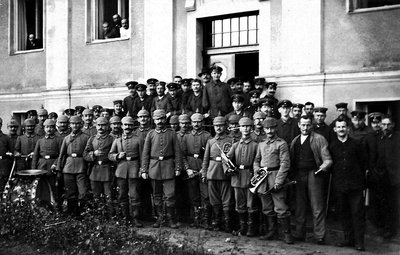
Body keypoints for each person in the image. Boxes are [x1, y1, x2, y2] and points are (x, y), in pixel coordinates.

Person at [290, 115, 332, 244]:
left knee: (317, 206)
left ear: (311, 125)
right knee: (299, 206)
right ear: (299, 125)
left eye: (308, 125)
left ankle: (319, 235)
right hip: (298, 174)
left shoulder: (319, 139)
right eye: (303, 124)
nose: (305, 127)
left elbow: (328, 160)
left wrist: (321, 169)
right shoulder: (295, 140)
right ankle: (299, 233)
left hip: (314, 174)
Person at [254, 117, 293, 244]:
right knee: (267, 207)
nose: (269, 131)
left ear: (276, 128)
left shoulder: (281, 144)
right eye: (267, 128)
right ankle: (272, 231)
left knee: (280, 207)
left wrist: (279, 181)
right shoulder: (261, 144)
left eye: (272, 128)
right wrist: (257, 172)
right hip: (262, 178)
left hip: (275, 176)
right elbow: (256, 161)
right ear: (264, 129)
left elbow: (285, 164)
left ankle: (286, 233)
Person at [330, 116, 367, 251]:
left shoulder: (357, 144)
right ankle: (348, 239)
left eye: (343, 127)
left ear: (348, 129)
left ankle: (359, 242)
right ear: (335, 129)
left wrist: (360, 181)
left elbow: (364, 163)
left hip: (355, 185)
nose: (341, 129)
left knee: (357, 213)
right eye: (338, 127)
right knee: (344, 213)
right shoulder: (332, 146)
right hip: (340, 185)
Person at [141, 109, 182, 229]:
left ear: (165, 119)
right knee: (156, 195)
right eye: (157, 119)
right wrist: (144, 169)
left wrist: (178, 167)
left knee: (170, 195)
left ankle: (170, 219)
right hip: (154, 168)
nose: (160, 121)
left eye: (162, 119)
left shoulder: (172, 133)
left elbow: (178, 152)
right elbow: (145, 153)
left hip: (169, 167)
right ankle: (160, 218)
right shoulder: (150, 134)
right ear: (154, 120)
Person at [226, 117, 258, 236]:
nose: (245, 128)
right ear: (239, 128)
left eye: (248, 126)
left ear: (251, 128)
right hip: (237, 176)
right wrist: (229, 167)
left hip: (250, 177)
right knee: (239, 204)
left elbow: (258, 161)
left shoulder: (256, 145)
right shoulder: (235, 145)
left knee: (251, 204)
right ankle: (242, 227)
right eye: (243, 126)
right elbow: (227, 159)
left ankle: (251, 228)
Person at [108, 116, 143, 226]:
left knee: (134, 195)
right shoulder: (117, 140)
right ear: (122, 126)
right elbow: (110, 155)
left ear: (133, 126)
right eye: (125, 125)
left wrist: (142, 170)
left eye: (130, 125)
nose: (127, 127)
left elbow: (143, 156)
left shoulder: (138, 139)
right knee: (122, 195)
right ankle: (125, 218)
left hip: (134, 169)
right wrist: (118, 156)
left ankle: (136, 218)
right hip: (121, 170)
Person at [201, 115, 234, 232]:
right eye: (216, 126)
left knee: (227, 199)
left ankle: (227, 223)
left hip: (224, 173)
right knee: (214, 199)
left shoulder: (230, 141)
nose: (218, 128)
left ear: (225, 126)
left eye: (220, 126)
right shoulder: (210, 141)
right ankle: (216, 222)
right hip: (212, 171)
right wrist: (204, 173)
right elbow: (206, 159)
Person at [181, 112, 212, 228]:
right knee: (193, 195)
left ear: (203, 123)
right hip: (191, 169)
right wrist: (187, 169)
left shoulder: (207, 136)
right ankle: (196, 219)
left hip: (203, 168)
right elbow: (182, 155)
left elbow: (209, 155)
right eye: (194, 122)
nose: (196, 124)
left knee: (205, 195)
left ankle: (206, 220)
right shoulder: (186, 136)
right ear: (191, 123)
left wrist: (204, 170)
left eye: (199, 122)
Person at [56, 115, 90, 217]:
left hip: (81, 167)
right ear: (70, 125)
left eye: (77, 123)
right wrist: (59, 169)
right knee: (70, 193)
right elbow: (62, 155)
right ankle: (72, 214)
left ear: (81, 124)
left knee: (83, 192)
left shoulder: (86, 138)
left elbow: (88, 153)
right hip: (68, 167)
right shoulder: (66, 138)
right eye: (73, 123)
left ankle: (83, 213)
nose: (75, 125)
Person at [83, 117, 114, 216]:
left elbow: (115, 154)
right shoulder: (92, 139)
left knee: (108, 194)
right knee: (96, 195)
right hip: (95, 170)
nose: (100, 127)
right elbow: (85, 154)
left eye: (103, 125)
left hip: (107, 169)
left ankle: (110, 215)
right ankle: (98, 215)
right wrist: (93, 154)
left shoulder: (112, 139)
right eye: (98, 125)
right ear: (96, 126)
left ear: (107, 126)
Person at [375, 116, 400, 239]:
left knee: (395, 204)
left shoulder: (398, 138)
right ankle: (386, 228)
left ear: (393, 125)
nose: (385, 127)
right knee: (383, 203)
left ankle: (393, 229)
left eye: (388, 125)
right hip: (382, 177)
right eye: (383, 125)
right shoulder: (379, 139)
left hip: (396, 178)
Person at [31, 119, 63, 209]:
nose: (49, 129)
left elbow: (61, 154)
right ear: (44, 128)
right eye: (47, 127)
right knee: (41, 187)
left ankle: (55, 208)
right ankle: (42, 207)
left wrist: (56, 164)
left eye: (51, 127)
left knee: (54, 188)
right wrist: (33, 170)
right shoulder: (40, 141)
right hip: (41, 166)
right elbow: (35, 156)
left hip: (53, 167)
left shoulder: (59, 140)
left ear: (55, 128)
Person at [0, 117, 13, 192]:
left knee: (3, 187)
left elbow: (11, 152)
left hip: (3, 165)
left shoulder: (6, 138)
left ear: (1, 125)